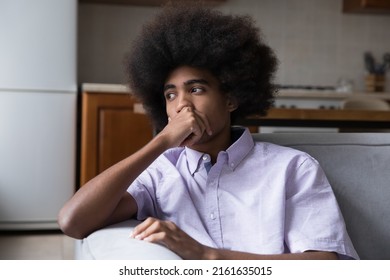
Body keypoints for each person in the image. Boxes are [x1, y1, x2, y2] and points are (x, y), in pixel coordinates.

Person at [58, 4, 359, 260]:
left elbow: (325, 263)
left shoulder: (292, 168)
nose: (182, 105)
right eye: (170, 95)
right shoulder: (161, 173)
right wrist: (162, 141)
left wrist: (206, 256)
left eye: (196, 89)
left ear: (231, 98)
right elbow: (72, 221)